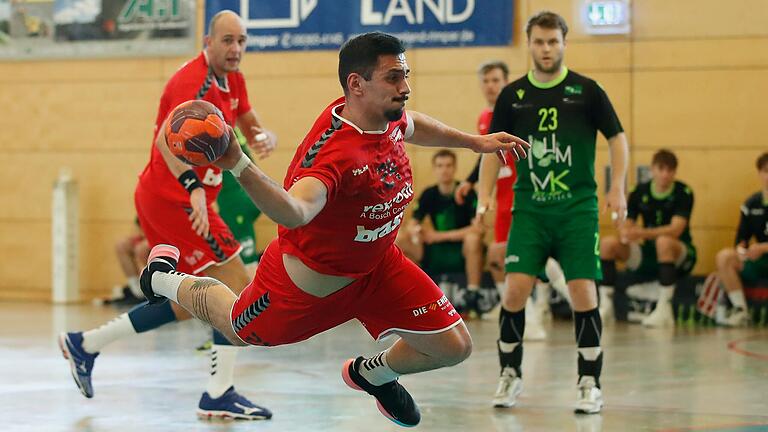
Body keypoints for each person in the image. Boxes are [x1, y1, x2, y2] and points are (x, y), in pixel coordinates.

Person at [137, 32, 530, 427]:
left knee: (454, 346)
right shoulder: (336, 156)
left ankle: (372, 374)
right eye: (394, 77)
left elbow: (414, 126)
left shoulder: (382, 115)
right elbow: (294, 211)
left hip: (377, 268)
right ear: (356, 84)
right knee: (238, 327)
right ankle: (164, 279)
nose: (405, 88)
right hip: (304, 289)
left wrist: (474, 142)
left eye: (406, 75)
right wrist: (238, 162)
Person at [59, 10, 276, 420]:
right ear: (207, 42)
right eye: (227, 41)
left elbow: (246, 118)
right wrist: (194, 190)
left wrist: (264, 136)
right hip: (173, 197)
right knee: (234, 289)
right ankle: (218, 392)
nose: (236, 49)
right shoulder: (191, 82)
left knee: (191, 300)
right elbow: (165, 139)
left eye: (242, 41)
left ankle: (85, 344)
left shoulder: (234, 80)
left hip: (180, 197)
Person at [477, 11, 629, 413]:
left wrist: (617, 188)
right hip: (530, 210)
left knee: (583, 292)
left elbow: (617, 138)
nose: (546, 49)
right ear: (529, 45)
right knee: (513, 291)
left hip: (577, 210)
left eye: (553, 42)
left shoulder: (587, 90)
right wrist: (484, 194)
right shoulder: (513, 95)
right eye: (539, 42)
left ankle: (589, 382)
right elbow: (492, 147)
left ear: (564, 43)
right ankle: (509, 375)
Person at [599, 149, 695, 327]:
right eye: (661, 169)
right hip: (649, 251)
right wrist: (625, 231)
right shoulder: (639, 191)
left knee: (664, 241)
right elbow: (627, 223)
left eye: (670, 170)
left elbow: (675, 230)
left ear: (675, 172)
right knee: (607, 244)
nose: (665, 174)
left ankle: (664, 310)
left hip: (680, 253)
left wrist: (641, 233)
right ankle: (606, 306)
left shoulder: (684, 192)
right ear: (653, 169)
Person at [395, 149, 487, 316]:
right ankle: (410, 296)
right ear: (434, 169)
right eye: (440, 166)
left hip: (462, 249)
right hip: (434, 250)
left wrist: (438, 236)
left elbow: (478, 228)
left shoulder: (466, 192)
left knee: (474, 239)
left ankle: (473, 295)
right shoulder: (429, 194)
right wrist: (417, 231)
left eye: (448, 165)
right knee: (400, 238)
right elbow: (413, 223)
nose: (444, 170)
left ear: (454, 168)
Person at [714, 152, 768, 326]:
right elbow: (740, 240)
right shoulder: (751, 204)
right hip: (760, 262)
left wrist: (763, 248)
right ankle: (740, 310)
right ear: (759, 173)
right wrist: (743, 250)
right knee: (725, 257)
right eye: (766, 171)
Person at [217, 127, 263, 277]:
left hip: (236, 203)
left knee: (246, 266)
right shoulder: (231, 126)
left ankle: (253, 298)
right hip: (245, 196)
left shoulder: (219, 129)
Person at [106, 217, 149, 305]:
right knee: (121, 245)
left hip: (161, 236)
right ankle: (137, 291)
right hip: (147, 233)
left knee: (141, 249)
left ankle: (150, 287)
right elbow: (138, 225)